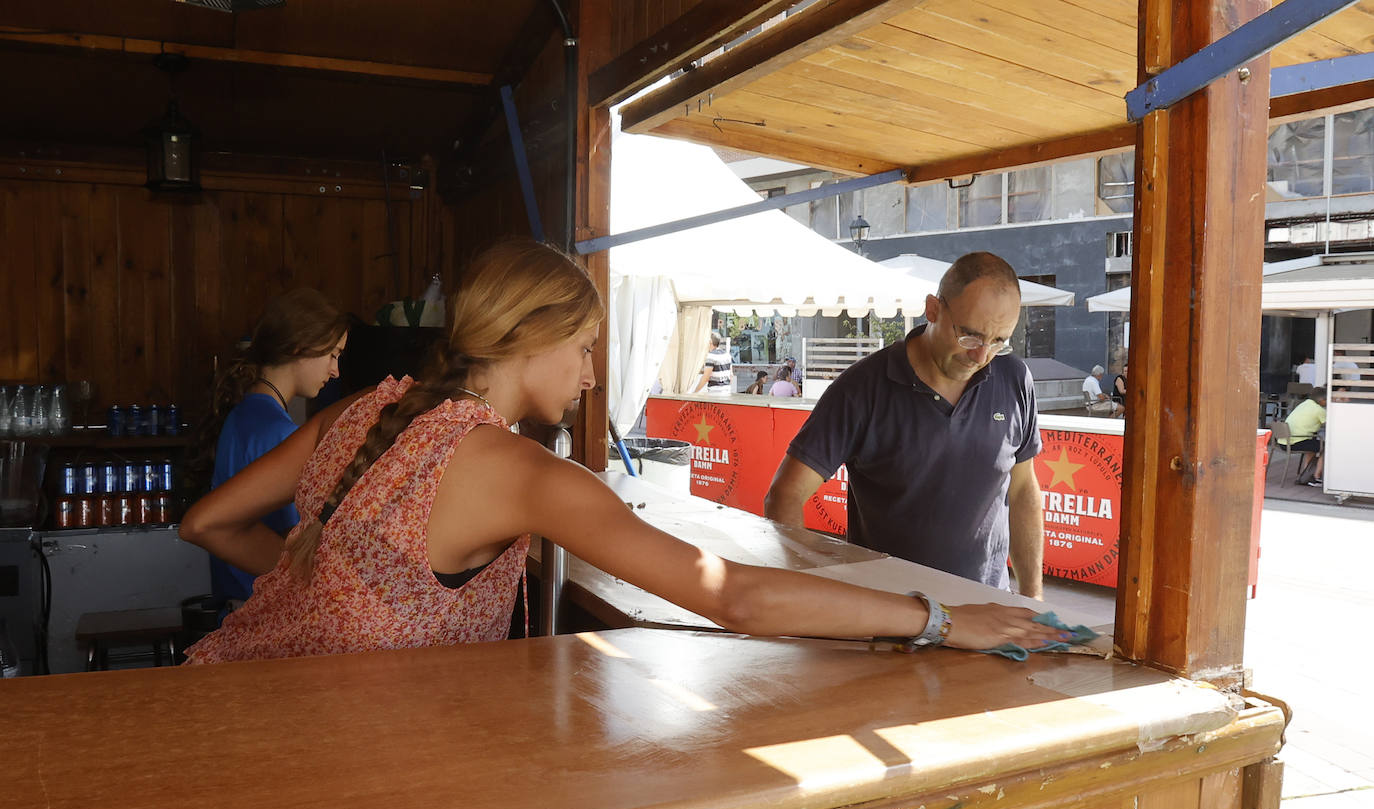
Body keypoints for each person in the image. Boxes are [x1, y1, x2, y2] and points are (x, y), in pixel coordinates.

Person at [179, 240, 1064, 663]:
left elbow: (209, 523)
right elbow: (737, 595)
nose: (594, 371)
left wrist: (336, 594)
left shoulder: (365, 408)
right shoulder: (516, 471)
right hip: (337, 756)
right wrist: (940, 617)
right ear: (534, 341)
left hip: (242, 686)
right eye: (587, 346)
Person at [764, 252, 1045, 600]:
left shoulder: (1014, 378)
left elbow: (1022, 491)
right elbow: (785, 496)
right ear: (933, 310)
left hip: (989, 612)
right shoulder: (862, 388)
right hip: (890, 623)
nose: (981, 355)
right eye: (970, 336)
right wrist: (813, 597)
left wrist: (1032, 599)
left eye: (999, 341)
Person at [191, 288, 349, 607]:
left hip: (233, 605)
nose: (335, 371)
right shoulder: (280, 434)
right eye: (332, 354)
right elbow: (301, 539)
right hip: (263, 607)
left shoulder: (241, 415)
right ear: (297, 347)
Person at [1280, 388, 1327, 486]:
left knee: (1313, 445)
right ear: (1321, 400)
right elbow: (1330, 425)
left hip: (1284, 441)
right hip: (1295, 442)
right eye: (1326, 400)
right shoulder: (1319, 410)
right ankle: (1315, 477)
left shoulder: (1304, 404)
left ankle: (1306, 475)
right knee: (1326, 447)